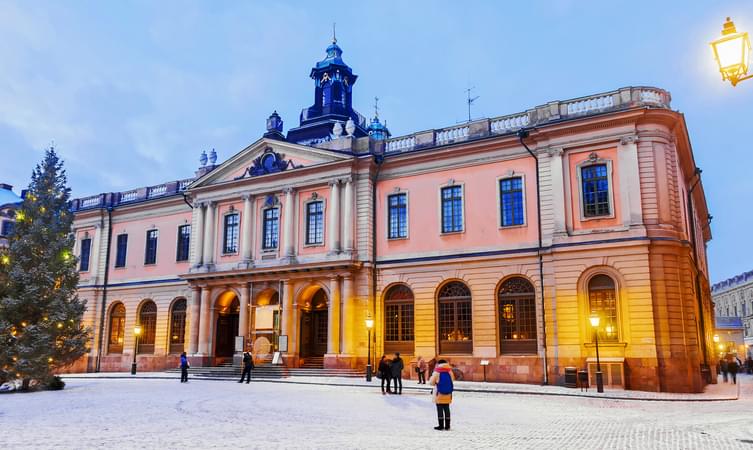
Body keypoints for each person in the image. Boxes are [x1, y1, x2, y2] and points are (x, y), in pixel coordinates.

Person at [429, 359, 455, 431]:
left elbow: (431, 382)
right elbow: (452, 380)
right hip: (448, 393)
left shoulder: (437, 372)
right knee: (447, 408)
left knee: (440, 408)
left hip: (439, 393)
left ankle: (441, 426)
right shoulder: (450, 371)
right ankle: (447, 426)